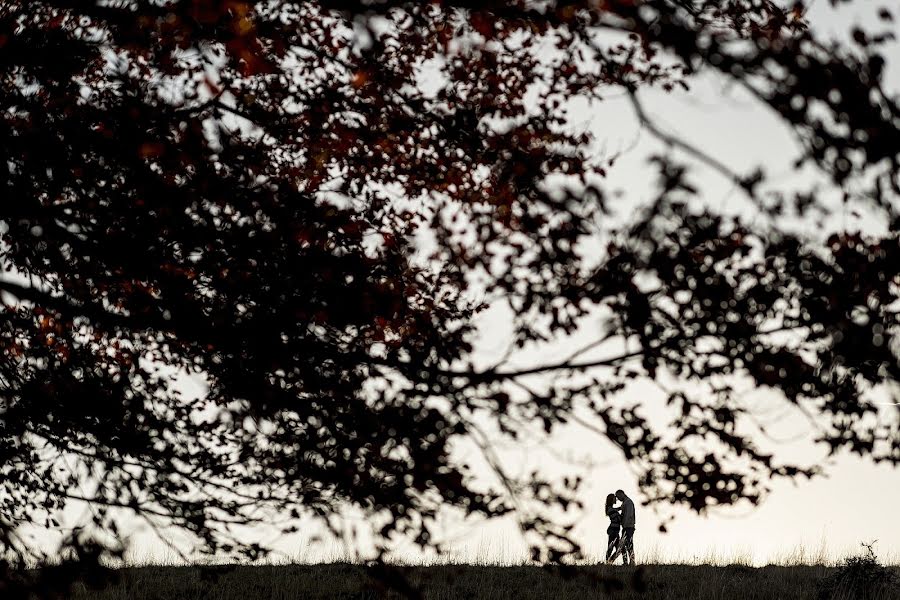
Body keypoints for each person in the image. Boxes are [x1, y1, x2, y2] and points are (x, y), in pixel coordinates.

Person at [615, 489, 636, 565]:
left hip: (628, 527)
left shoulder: (628, 502)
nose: (618, 499)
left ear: (622, 494)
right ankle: (626, 562)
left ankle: (632, 562)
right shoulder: (625, 502)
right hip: (626, 527)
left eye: (618, 496)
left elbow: (629, 515)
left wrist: (624, 523)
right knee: (624, 545)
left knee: (629, 544)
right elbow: (621, 508)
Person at [604, 493, 622, 562]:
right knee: (612, 548)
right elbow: (619, 519)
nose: (616, 499)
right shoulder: (611, 510)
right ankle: (609, 561)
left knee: (613, 548)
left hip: (614, 530)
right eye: (615, 498)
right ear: (611, 500)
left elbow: (617, 509)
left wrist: (621, 508)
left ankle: (609, 561)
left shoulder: (611, 509)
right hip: (613, 530)